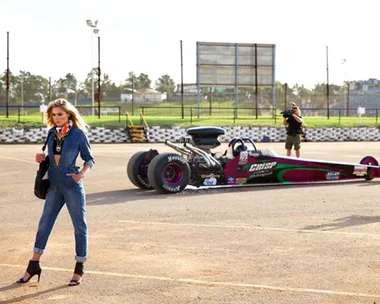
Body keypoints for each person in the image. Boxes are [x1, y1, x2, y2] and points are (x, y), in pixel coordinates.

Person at [17, 98, 95, 286]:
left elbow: (89, 160)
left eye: (60, 114)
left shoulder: (78, 134)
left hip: (71, 184)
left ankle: (79, 267)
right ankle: (33, 264)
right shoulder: (52, 134)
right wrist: (41, 158)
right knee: (44, 224)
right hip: (53, 185)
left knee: (79, 226)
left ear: (69, 114)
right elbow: (51, 158)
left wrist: (81, 174)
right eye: (54, 114)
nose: (57, 117)